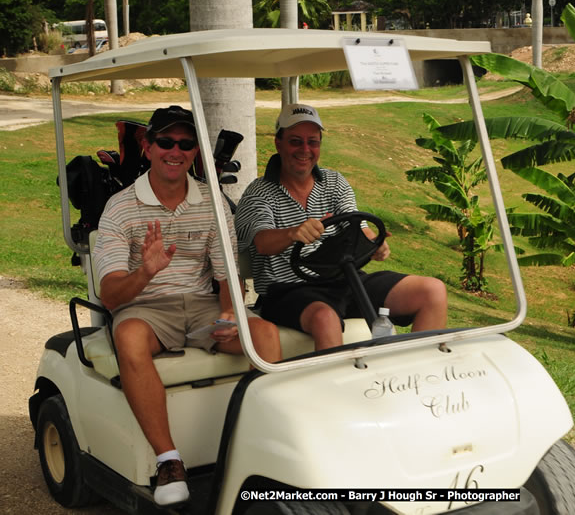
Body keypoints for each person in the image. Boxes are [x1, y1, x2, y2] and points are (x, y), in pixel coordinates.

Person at [93, 105, 281, 507]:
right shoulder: (120, 207)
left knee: (263, 334)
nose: (174, 150)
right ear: (147, 147)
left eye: (185, 143)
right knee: (127, 337)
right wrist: (145, 272)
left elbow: (226, 272)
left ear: (195, 151)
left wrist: (230, 313)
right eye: (165, 141)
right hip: (145, 308)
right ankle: (169, 461)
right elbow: (109, 295)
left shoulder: (211, 202)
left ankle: (265, 449)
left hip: (200, 306)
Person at [235, 103, 447, 351]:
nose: (305, 150)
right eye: (295, 141)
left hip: (346, 282)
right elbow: (262, 242)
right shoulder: (259, 192)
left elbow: (358, 226)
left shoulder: (334, 182)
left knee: (432, 290)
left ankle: (417, 378)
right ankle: (331, 388)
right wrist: (292, 233)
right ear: (278, 143)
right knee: (326, 318)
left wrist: (374, 244)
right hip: (288, 291)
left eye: (312, 142)